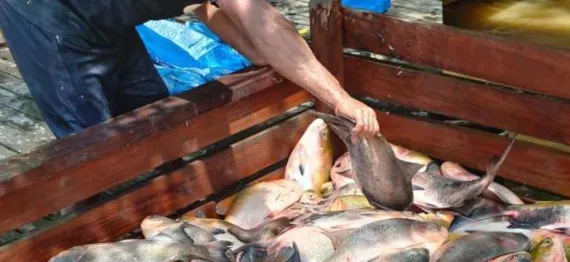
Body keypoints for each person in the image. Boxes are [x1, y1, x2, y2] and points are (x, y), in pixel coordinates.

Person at [0, 0, 379, 139]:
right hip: (47, 17)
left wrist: (256, 51)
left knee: (151, 115)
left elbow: (209, 9)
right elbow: (265, 23)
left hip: (112, 18)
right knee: (89, 143)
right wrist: (340, 99)